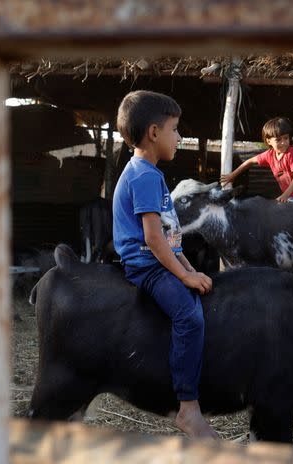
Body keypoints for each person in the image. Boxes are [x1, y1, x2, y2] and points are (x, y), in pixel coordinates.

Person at [112, 90, 218, 439]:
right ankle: (188, 408)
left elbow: (171, 238)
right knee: (189, 316)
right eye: (175, 129)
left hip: (159, 257)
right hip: (146, 264)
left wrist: (189, 269)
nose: (179, 137)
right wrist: (183, 277)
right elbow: (154, 239)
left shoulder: (151, 174)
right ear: (154, 133)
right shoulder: (143, 175)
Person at [220, 117, 293, 252]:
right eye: (278, 140)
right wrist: (232, 175)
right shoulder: (269, 155)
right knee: (285, 221)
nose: (283, 143)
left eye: (286, 138)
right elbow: (250, 161)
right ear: (269, 141)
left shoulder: (291, 154)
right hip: (289, 197)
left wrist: (285, 195)